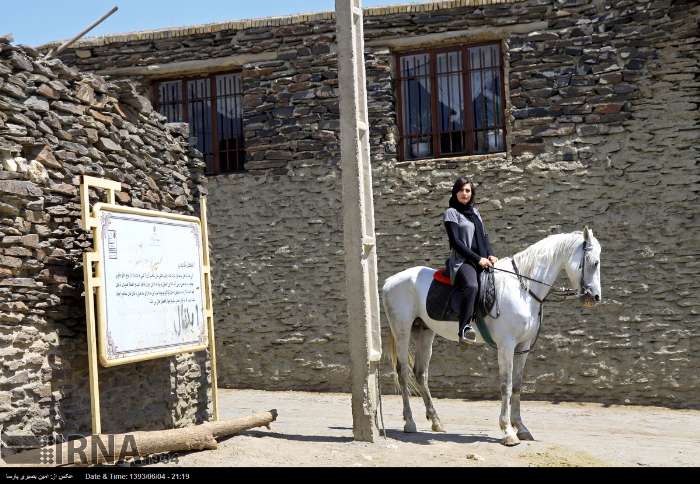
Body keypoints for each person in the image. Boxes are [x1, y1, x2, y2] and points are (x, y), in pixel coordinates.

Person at [443, 177, 499, 344]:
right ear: (455, 193)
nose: (464, 193)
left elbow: (484, 236)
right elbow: (455, 242)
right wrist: (477, 259)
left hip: (481, 258)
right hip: (462, 261)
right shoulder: (451, 213)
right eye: (461, 190)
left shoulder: (475, 212)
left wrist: (490, 254)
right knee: (472, 285)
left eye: (468, 190)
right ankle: (464, 329)